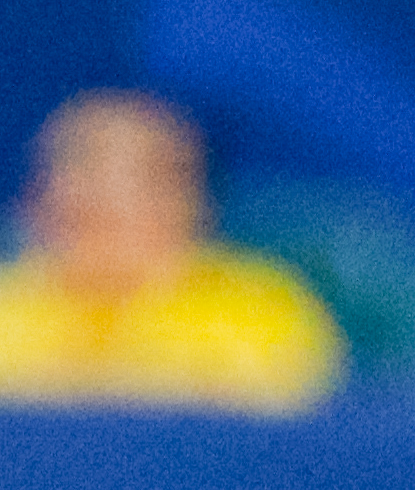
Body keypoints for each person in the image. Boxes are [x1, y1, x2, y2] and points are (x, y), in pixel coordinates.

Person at [0, 92, 343, 414]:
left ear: (190, 207)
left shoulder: (260, 307)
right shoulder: (11, 305)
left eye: (117, 215)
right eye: (80, 216)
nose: (102, 239)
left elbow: (282, 423)